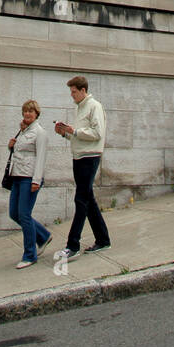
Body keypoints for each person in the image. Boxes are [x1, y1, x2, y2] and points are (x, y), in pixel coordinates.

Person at [54, 75, 111, 259]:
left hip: (90, 156)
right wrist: (65, 133)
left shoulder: (94, 106)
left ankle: (73, 245)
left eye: (74, 92)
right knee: (88, 200)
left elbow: (97, 133)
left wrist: (74, 131)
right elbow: (79, 135)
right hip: (79, 156)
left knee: (81, 199)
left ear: (83, 90)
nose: (72, 95)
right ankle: (103, 240)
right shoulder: (79, 107)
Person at [7, 100, 51, 268]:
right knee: (14, 213)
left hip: (29, 178)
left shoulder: (40, 133)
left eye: (31, 112)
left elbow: (40, 157)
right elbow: (20, 153)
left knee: (24, 214)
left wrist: (36, 180)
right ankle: (43, 235)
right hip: (17, 176)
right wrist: (10, 146)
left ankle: (30, 254)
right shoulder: (23, 132)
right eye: (25, 111)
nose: (27, 114)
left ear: (36, 114)